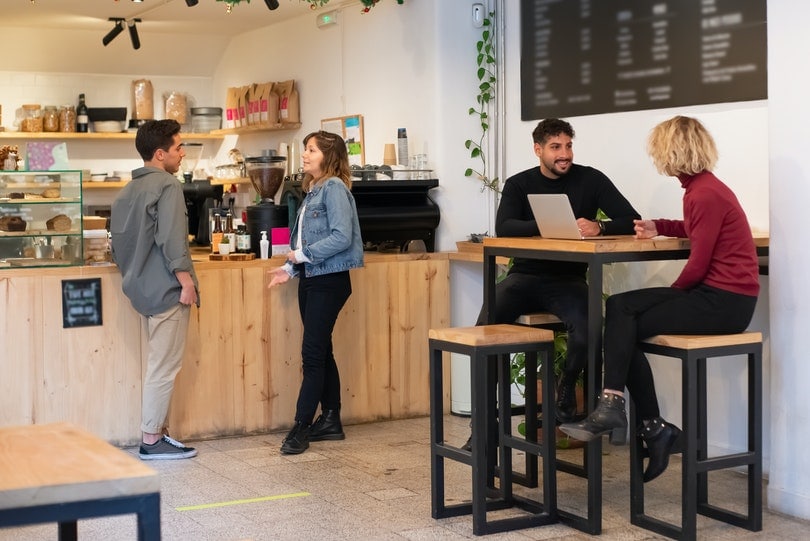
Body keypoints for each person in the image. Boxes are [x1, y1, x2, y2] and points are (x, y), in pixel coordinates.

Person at [560, 115, 760, 482]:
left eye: (658, 151)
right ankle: (650, 425)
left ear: (672, 151)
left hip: (725, 303)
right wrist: (660, 227)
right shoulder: (703, 190)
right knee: (623, 317)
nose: (656, 159)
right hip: (720, 297)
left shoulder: (704, 193)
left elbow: (698, 263)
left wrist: (669, 298)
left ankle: (616, 407)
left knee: (623, 311)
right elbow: (697, 229)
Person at [477, 118, 640, 423]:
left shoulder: (591, 180)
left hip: (568, 280)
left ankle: (567, 389)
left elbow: (632, 220)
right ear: (538, 150)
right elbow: (505, 227)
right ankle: (484, 421)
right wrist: (552, 225)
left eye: (568, 146)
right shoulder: (519, 184)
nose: (564, 153)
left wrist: (600, 226)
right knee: (486, 327)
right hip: (523, 278)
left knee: (590, 324)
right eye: (555, 147)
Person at [267, 130, 364, 455]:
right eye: (305, 149)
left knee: (311, 354)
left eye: (311, 150)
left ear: (329, 156)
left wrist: (302, 257)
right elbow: (302, 245)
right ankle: (332, 419)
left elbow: (341, 237)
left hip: (329, 280)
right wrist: (290, 268)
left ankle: (301, 427)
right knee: (321, 351)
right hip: (312, 278)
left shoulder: (334, 188)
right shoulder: (313, 190)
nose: (305, 155)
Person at [110, 119, 199, 460]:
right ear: (160, 154)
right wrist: (187, 283)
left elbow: (117, 247)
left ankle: (157, 432)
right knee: (164, 367)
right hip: (167, 290)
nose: (182, 153)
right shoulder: (168, 186)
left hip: (139, 290)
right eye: (178, 148)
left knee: (158, 364)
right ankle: (151, 440)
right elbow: (173, 240)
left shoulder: (126, 192)